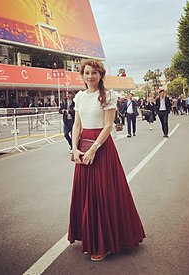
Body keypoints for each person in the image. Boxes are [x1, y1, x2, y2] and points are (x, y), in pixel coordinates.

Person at [69, 60, 145, 261]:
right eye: (87, 73)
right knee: (86, 194)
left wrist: (94, 148)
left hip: (101, 149)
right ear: (82, 75)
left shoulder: (108, 95)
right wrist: (74, 148)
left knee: (102, 194)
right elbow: (77, 125)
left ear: (100, 75)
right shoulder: (79, 97)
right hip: (83, 148)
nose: (90, 76)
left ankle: (105, 243)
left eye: (94, 73)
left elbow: (108, 125)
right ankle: (89, 236)